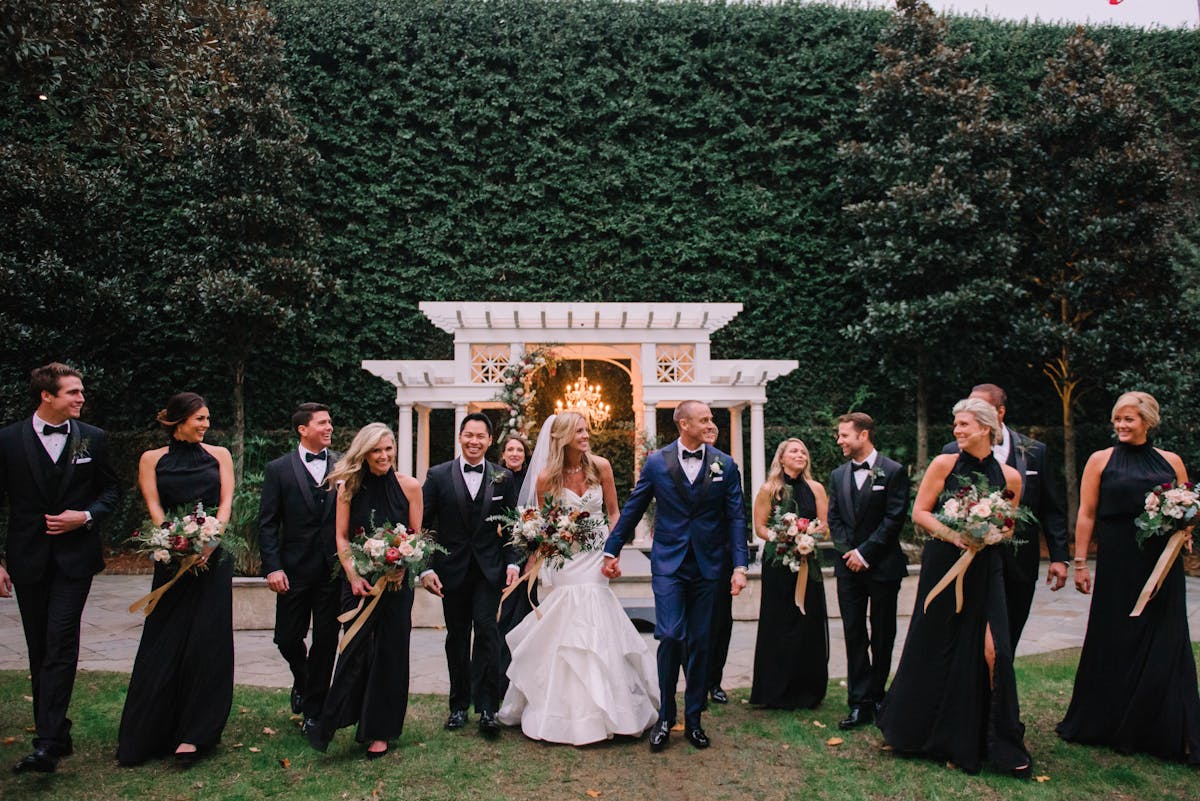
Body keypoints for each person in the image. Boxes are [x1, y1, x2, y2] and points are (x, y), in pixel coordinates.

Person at [877, 398, 1031, 778]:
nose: (957, 431)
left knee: (995, 650)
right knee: (935, 642)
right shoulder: (944, 464)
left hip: (987, 568)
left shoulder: (1011, 476)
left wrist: (990, 533)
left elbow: (1010, 525)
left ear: (985, 428)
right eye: (955, 424)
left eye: (963, 425)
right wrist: (957, 535)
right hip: (945, 565)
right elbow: (921, 512)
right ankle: (917, 730)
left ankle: (995, 738)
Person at [1057, 391, 1200, 765]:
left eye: (1129, 419)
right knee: (1114, 637)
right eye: (1117, 418)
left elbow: (1187, 507)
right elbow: (1087, 513)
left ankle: (1162, 726)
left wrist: (1185, 534)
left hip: (1161, 568)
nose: (1120, 425)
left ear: (1148, 422)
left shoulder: (1171, 461)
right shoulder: (1099, 460)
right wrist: (1080, 562)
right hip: (1118, 563)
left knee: (1165, 639)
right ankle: (1105, 721)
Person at [498, 413, 658, 744]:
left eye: (587, 429)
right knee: (569, 619)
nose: (586, 435)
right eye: (579, 431)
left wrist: (614, 551)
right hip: (565, 560)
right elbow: (543, 528)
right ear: (561, 438)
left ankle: (613, 709)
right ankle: (564, 712)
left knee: (597, 613)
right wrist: (535, 561)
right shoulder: (545, 479)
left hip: (597, 554)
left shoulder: (601, 467)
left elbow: (614, 512)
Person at [604, 400, 749, 752]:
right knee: (669, 636)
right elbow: (635, 506)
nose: (710, 423)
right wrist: (612, 548)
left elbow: (735, 518)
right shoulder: (656, 462)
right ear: (683, 424)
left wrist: (740, 566)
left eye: (711, 418)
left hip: (709, 566)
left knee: (700, 642)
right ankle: (666, 717)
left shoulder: (725, 465)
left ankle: (695, 720)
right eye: (704, 419)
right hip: (669, 564)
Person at [0, 363, 120, 773]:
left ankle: (47, 744)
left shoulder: (92, 439)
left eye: (81, 391)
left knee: (61, 639)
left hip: (75, 560)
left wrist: (85, 516)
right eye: (73, 392)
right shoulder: (8, 440)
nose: (81, 398)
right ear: (46, 396)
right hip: (27, 558)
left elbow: (111, 490)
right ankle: (58, 732)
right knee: (39, 645)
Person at [117, 392, 235, 767]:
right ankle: (149, 733)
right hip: (172, 558)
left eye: (207, 418)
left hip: (213, 559)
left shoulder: (220, 455)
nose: (206, 424)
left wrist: (211, 540)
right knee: (163, 640)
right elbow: (154, 506)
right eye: (199, 418)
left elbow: (226, 501)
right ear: (179, 420)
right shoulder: (151, 459)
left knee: (207, 641)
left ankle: (195, 734)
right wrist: (175, 540)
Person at [306, 423, 422, 759]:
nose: (384, 456)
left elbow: (416, 534)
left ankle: (380, 731)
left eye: (388, 448)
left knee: (390, 654)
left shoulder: (411, 486)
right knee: (354, 650)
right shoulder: (348, 487)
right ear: (364, 453)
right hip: (359, 582)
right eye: (376, 450)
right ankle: (333, 720)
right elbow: (342, 537)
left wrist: (404, 563)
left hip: (397, 583)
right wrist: (353, 576)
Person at [941, 384, 1069, 648]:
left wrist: (1060, 558)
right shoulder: (951, 451)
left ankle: (1001, 686)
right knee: (971, 637)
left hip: (1019, 561)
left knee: (1009, 633)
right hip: (970, 560)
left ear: (1000, 412)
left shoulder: (1034, 451)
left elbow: (1051, 507)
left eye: (980, 407)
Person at [421, 412, 520, 738]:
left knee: (488, 635)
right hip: (451, 571)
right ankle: (458, 706)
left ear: (490, 441)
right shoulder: (436, 476)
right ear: (460, 437)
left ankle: (488, 708)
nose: (474, 441)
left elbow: (514, 528)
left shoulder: (503, 477)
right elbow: (423, 526)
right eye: (469, 435)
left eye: (481, 436)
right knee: (457, 638)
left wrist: (512, 562)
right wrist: (427, 567)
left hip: (489, 571)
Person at [258, 403, 341, 735]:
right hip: (292, 571)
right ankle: (303, 679)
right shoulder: (278, 469)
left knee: (325, 639)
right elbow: (267, 524)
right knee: (287, 638)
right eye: (322, 423)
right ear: (302, 429)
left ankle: (314, 709)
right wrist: (273, 567)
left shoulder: (343, 465)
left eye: (330, 422)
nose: (329, 427)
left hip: (332, 573)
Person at [826, 412, 909, 730]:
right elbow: (834, 519)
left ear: (863, 435)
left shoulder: (893, 471)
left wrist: (865, 553)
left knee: (883, 632)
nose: (839, 440)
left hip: (883, 567)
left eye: (844, 435)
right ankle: (859, 702)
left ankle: (878, 696)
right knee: (854, 633)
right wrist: (849, 553)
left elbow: (895, 518)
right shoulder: (837, 475)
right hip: (849, 570)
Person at [749, 438, 830, 709]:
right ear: (781, 459)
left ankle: (807, 690)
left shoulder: (816, 488)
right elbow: (759, 526)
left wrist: (807, 536)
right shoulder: (770, 489)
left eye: (804, 451)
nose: (800, 454)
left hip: (808, 563)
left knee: (808, 622)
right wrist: (782, 536)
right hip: (779, 566)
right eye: (794, 451)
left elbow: (825, 526)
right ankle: (775, 689)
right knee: (780, 623)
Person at [495, 432, 534, 699]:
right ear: (503, 453)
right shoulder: (495, 478)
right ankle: (499, 679)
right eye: (510, 449)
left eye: (519, 450)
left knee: (526, 617)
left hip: (527, 555)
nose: (515, 454)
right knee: (502, 618)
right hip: (500, 557)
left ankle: (525, 680)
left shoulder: (531, 481)